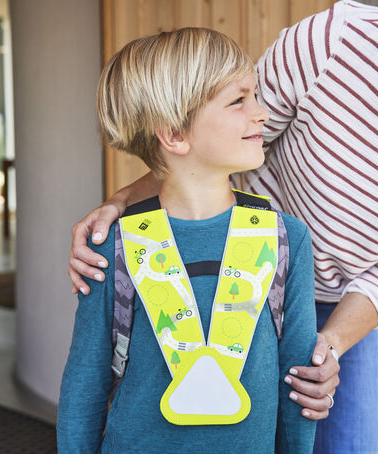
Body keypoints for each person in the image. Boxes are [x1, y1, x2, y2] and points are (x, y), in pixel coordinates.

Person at [68, 0, 378, 452]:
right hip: (249, 272)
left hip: (347, 302)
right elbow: (206, 145)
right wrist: (118, 206)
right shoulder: (335, 40)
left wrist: (328, 349)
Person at [57, 28, 318, 453]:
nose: (262, 113)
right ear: (175, 134)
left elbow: (298, 382)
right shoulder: (112, 248)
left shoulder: (289, 239)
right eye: (239, 100)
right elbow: (84, 386)